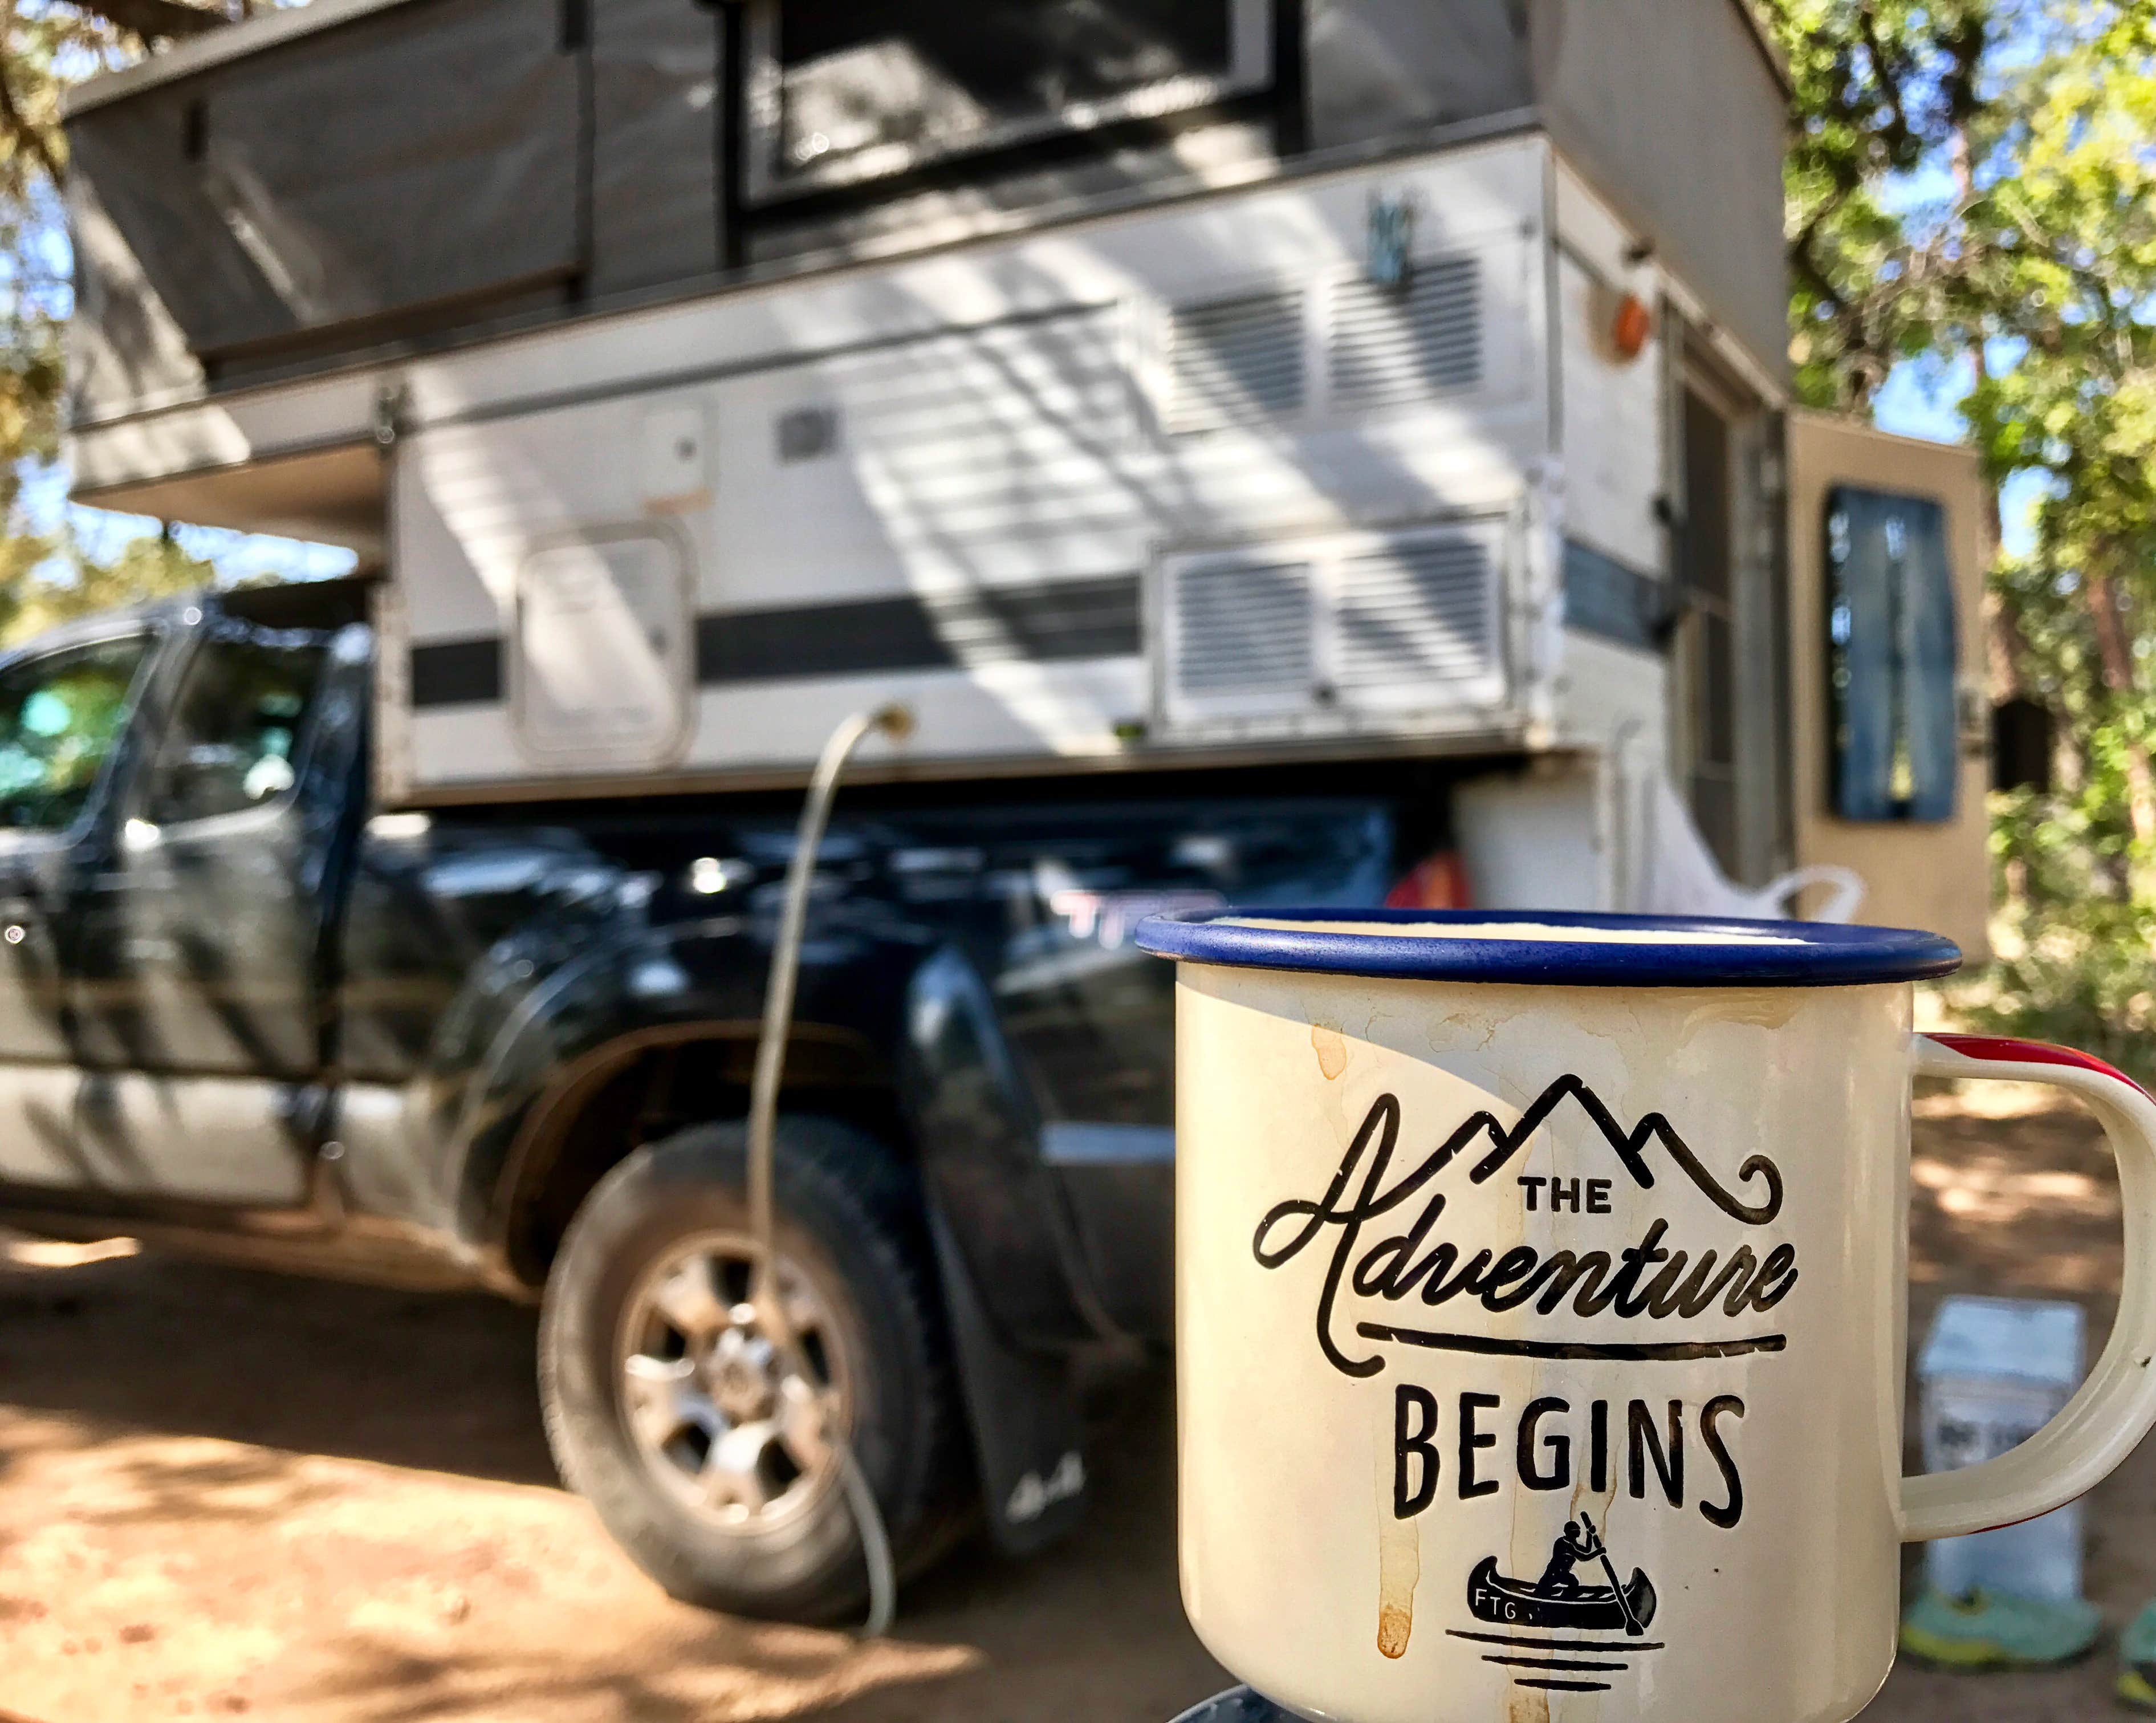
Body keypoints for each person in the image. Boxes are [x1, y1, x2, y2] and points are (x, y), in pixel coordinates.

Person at [1537, 1519, 1604, 1596]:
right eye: (1576, 1530)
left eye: (1579, 1530)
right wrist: (1599, 1552)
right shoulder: (1564, 1544)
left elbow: (1586, 1550)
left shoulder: (1572, 1543)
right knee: (1545, 1585)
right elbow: (1584, 1558)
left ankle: (1565, 1598)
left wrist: (1589, 1534)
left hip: (1563, 1573)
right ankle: (1560, 1598)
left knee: (1573, 1581)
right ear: (1570, 1532)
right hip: (1555, 1572)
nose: (1579, 1532)